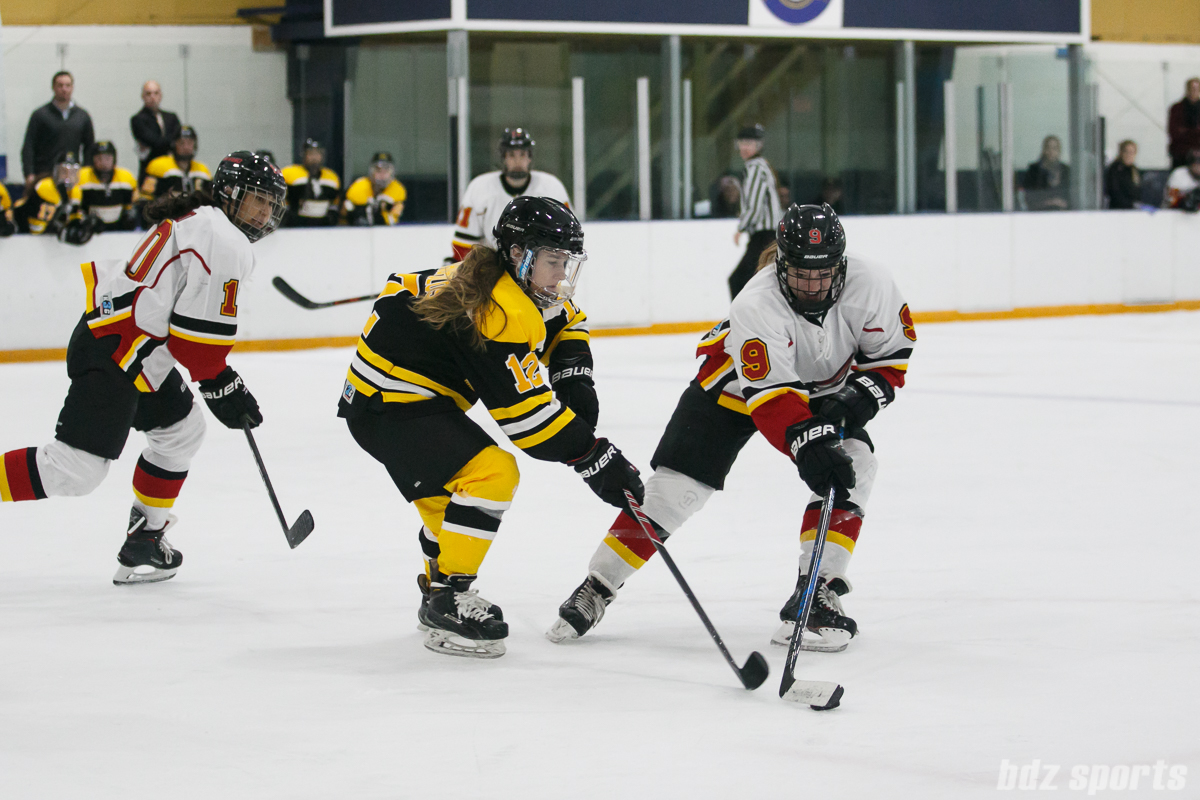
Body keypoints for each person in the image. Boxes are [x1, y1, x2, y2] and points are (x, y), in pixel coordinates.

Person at [548, 203, 915, 655]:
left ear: (840, 264)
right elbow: (772, 400)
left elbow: (890, 356)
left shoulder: (873, 283)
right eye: (801, 274)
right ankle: (597, 586)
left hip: (821, 389)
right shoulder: (756, 303)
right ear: (781, 264)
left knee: (855, 466)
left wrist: (858, 398)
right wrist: (807, 443)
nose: (813, 286)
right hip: (734, 388)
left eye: (823, 274)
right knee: (674, 492)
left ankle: (816, 592)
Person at [340, 196, 644, 659]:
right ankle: (450, 598)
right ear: (519, 254)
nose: (561, 274)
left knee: (450, 510)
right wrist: (594, 457)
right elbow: (528, 422)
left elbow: (568, 319)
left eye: (566, 262)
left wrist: (573, 374)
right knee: (492, 474)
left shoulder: (501, 278)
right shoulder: (497, 310)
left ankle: (437, 593)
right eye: (553, 261)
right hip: (389, 406)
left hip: (395, 399)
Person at [0, 152, 287, 586]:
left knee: (181, 430)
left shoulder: (205, 221)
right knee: (75, 469)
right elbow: (195, 344)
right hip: (116, 352)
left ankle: (145, 539)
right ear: (230, 193)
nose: (264, 213)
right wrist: (224, 386)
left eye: (270, 204)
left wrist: (220, 383)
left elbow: (189, 339)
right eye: (257, 200)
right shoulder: (223, 238)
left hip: (130, 349)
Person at [450, 128, 570, 260]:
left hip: (539, 267)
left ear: (530, 158)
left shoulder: (552, 188)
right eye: (512, 155)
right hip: (493, 267)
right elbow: (463, 246)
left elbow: (568, 239)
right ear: (503, 158)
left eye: (522, 154)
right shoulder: (479, 188)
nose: (517, 161)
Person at [729, 124, 783, 299]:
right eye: (742, 143)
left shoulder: (755, 168)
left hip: (764, 235)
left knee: (738, 280)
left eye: (749, 144)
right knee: (758, 281)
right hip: (767, 235)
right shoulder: (762, 166)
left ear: (758, 146)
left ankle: (743, 315)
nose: (744, 147)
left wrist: (741, 228)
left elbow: (754, 205)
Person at [20, 71, 95, 195]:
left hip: (73, 176)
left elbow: (89, 147)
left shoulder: (82, 116)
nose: (64, 89)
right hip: (44, 175)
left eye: (67, 85)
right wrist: (29, 174)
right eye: (60, 85)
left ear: (72, 87)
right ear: (53, 87)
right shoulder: (40, 115)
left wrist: (86, 171)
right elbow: (29, 146)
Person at [71, 141, 138, 232]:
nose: (103, 163)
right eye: (99, 158)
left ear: (114, 159)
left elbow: (133, 205)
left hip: (119, 231)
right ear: (92, 160)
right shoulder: (81, 177)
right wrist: (83, 220)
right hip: (90, 232)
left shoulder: (127, 178)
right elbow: (74, 207)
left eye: (107, 158)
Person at [13, 152, 82, 240]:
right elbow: (36, 229)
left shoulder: (76, 191)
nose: (68, 177)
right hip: (23, 234)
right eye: (64, 172)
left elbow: (73, 218)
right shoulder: (46, 187)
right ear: (56, 172)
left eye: (72, 172)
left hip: (42, 237)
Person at [129, 80, 182, 184]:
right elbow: (155, 142)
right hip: (150, 171)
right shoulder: (137, 119)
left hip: (172, 170)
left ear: (161, 95)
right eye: (148, 94)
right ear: (143, 96)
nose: (152, 97)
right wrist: (171, 143)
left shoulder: (171, 117)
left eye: (156, 93)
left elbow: (179, 139)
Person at [141, 126, 211, 201]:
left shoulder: (202, 170)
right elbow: (145, 198)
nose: (186, 147)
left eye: (189, 143)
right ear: (174, 144)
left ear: (195, 145)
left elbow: (211, 199)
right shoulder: (159, 166)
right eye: (181, 143)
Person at [282, 138, 341, 227]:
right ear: (303, 155)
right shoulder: (288, 174)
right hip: (296, 226)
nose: (314, 158)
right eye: (310, 154)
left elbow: (334, 205)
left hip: (324, 227)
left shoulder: (332, 178)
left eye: (318, 153)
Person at [343, 152, 406, 226]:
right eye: (378, 170)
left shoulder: (397, 189)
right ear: (371, 172)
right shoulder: (359, 187)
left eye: (386, 170)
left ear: (392, 173)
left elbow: (391, 222)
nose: (382, 175)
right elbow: (343, 216)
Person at [1021, 135, 1070, 211]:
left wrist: (1063, 203)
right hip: (1040, 214)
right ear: (1043, 150)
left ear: (1059, 151)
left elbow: (1073, 198)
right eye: (1048, 148)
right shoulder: (1034, 171)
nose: (1051, 152)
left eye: (1054, 148)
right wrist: (1050, 202)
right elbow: (1029, 198)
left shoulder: (1066, 171)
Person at [1168, 78, 1200, 170]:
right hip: (1180, 154)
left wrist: (1186, 132)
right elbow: (1174, 132)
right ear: (1187, 89)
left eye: (1196, 88)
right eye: (1192, 88)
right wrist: (1195, 132)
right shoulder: (1176, 108)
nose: (1194, 91)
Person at [1105, 140, 1141, 210]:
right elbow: (1114, 192)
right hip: (1118, 210)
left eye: (1132, 152)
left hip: (1133, 210)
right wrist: (1130, 204)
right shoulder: (1115, 169)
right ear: (1121, 153)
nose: (1129, 155)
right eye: (1126, 152)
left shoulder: (1134, 170)